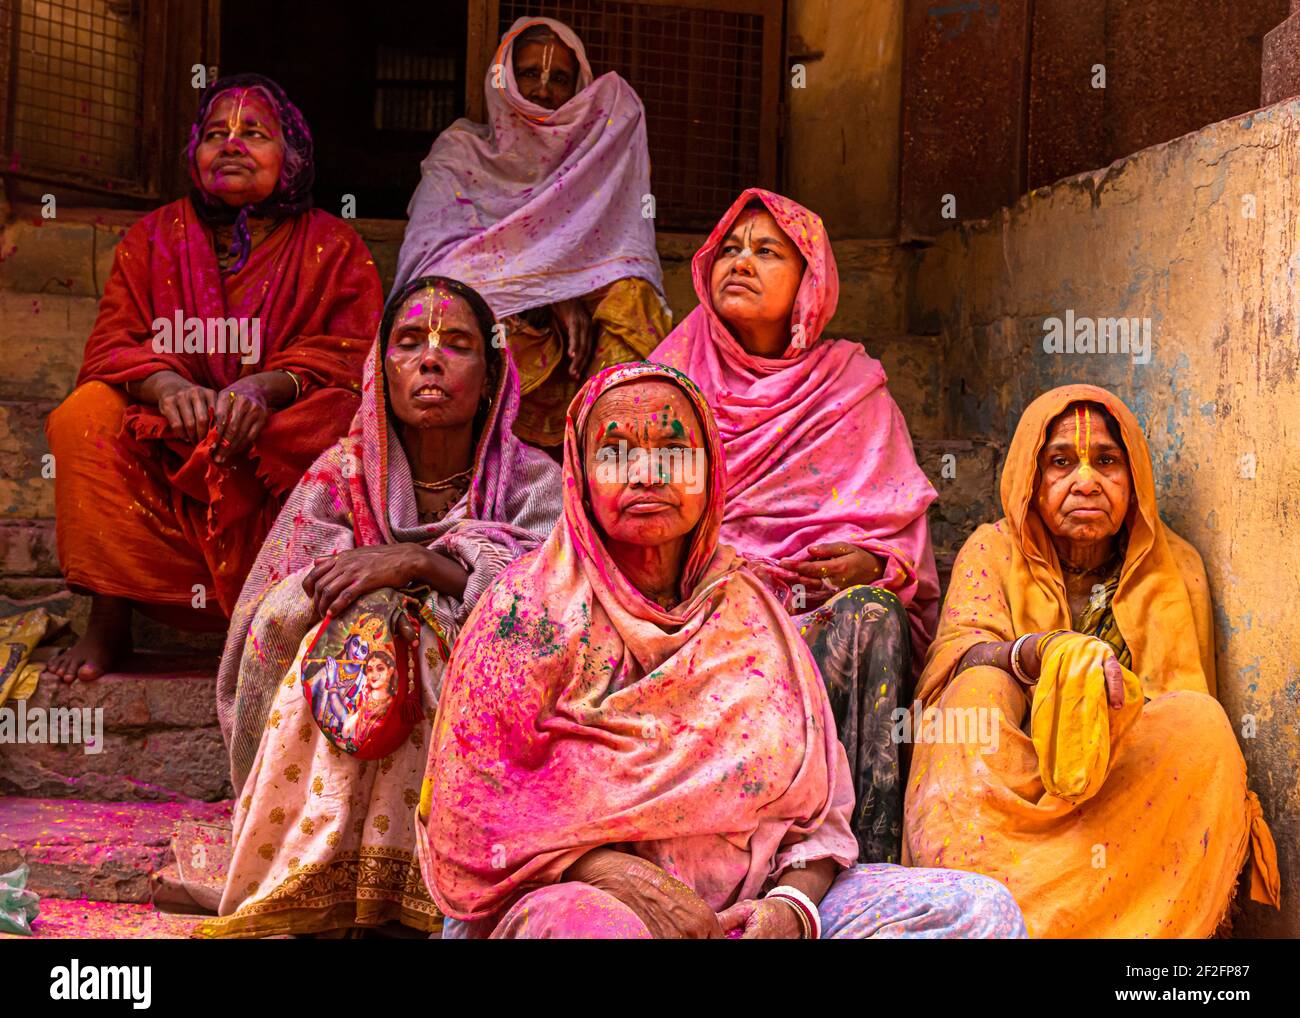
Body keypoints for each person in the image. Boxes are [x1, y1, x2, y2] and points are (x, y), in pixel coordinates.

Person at [415, 362, 1026, 939]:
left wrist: (791, 910)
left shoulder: (751, 613)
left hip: (751, 905)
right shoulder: (524, 615)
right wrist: (620, 878)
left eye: (675, 452)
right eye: (615, 451)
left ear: (710, 471)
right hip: (585, 903)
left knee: (977, 911)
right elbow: (469, 821)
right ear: (578, 471)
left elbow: (821, 822)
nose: (646, 473)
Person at [198, 276, 561, 937]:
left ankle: (434, 886)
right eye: (408, 343)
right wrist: (371, 596)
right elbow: (267, 615)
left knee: (421, 634)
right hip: (350, 718)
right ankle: (328, 879)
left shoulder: (534, 483)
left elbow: (556, 612)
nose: (430, 359)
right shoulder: (339, 476)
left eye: (457, 344)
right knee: (361, 630)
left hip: (491, 731)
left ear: (490, 377)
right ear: (381, 372)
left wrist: (418, 566)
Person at [903, 384, 1281, 937]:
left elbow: (1175, 719)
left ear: (1134, 479)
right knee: (975, 694)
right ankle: (982, 916)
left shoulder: (1177, 570)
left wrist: (1098, 707)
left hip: (1120, 792)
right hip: (1011, 786)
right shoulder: (992, 549)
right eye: (1061, 462)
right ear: (1031, 480)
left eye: (1107, 461)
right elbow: (954, 659)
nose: (1086, 481)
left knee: (1203, 726)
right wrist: (1039, 654)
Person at [45, 74, 382, 682]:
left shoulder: (336, 245)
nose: (230, 143)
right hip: (174, 435)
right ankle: (109, 614)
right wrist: (166, 387)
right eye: (214, 134)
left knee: (341, 420)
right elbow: (111, 346)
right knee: (84, 414)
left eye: (254, 132)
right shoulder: (151, 238)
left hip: (269, 443)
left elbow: (356, 356)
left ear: (294, 157)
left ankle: (290, 605)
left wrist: (266, 388)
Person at [651, 189, 939, 861]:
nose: (740, 262)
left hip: (812, 625)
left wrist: (871, 565)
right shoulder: (668, 376)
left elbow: (898, 536)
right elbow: (623, 515)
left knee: (871, 616)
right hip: (698, 619)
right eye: (728, 248)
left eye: (766, 251)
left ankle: (864, 860)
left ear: (810, 281)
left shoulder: (849, 385)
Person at [392, 17, 669, 451]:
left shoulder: (593, 160)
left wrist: (569, 290)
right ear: (502, 78)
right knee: (447, 312)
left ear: (579, 89)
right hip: (501, 328)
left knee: (632, 298)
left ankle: (609, 452)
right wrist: (546, 296)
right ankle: (476, 464)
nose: (542, 89)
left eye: (559, 78)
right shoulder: (462, 152)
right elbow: (433, 274)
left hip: (579, 351)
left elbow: (623, 255)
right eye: (528, 73)